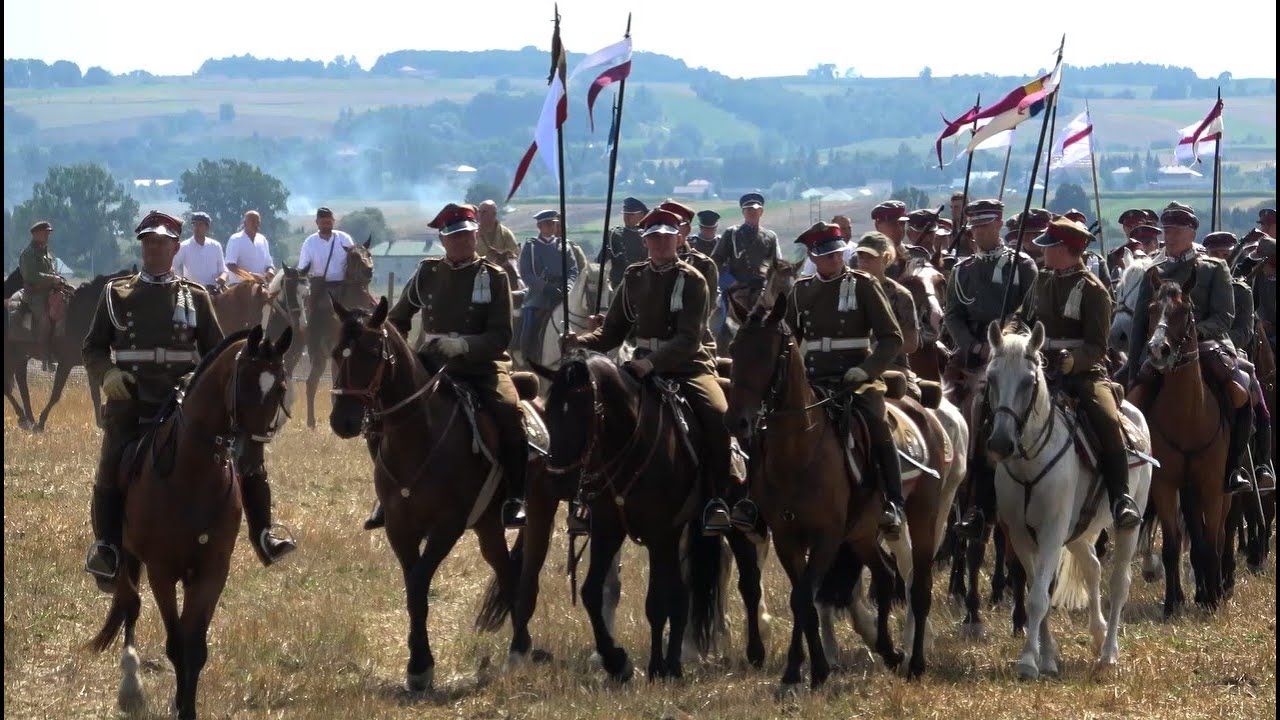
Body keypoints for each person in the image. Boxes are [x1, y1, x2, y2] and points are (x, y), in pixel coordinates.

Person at [83, 211, 294, 590]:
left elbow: (216, 353)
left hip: (182, 397)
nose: (153, 249)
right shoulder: (116, 294)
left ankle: (264, 534)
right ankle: (108, 548)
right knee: (110, 463)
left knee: (244, 453)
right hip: (131, 399)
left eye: (161, 243)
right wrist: (108, 374)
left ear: (174, 248)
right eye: (148, 242)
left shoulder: (193, 295)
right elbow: (93, 347)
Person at [564, 207, 734, 534]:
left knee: (718, 414)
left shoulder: (693, 279)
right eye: (653, 237)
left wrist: (650, 363)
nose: (659, 244)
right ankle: (589, 498)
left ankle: (717, 499)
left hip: (687, 368)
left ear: (678, 238)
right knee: (595, 415)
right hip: (639, 368)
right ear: (645, 241)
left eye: (665, 237)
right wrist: (578, 341)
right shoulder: (634, 276)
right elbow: (611, 331)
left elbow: (688, 338)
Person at [375, 202, 527, 529]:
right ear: (443, 240)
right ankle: (384, 496)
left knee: (511, 414)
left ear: (476, 236)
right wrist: (401, 356)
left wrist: (465, 345)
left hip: (482, 366)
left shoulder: (494, 276)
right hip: (431, 362)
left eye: (468, 236)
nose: (462, 242)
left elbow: (502, 335)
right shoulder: (428, 273)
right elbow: (398, 320)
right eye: (455, 237)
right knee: (380, 415)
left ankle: (515, 498)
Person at [784, 222, 907, 537]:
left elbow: (892, 339)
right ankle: (757, 501)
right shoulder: (801, 290)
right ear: (813, 255)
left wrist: (866, 369)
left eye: (838, 254)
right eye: (827, 256)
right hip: (813, 380)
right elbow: (788, 341)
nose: (835, 260)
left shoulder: (864, 285)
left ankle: (893, 502)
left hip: (856, 379)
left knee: (876, 424)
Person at [1124, 205, 1253, 495]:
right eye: (1167, 230)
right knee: (1127, 396)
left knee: (1243, 392)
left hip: (1207, 346)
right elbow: (1139, 326)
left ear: (1192, 232)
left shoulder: (1213, 268)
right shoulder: (1154, 272)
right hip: (1162, 351)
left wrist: (1193, 333)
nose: (1169, 236)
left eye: (1176, 231)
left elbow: (1224, 317)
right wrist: (1133, 368)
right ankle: (1130, 463)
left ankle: (1237, 466)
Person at [1029, 218, 1142, 528]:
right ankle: (981, 503)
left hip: (1083, 373)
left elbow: (1097, 346)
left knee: (1106, 418)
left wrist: (1072, 361)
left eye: (1049, 247)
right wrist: (1011, 338)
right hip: (1037, 366)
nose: (1043, 253)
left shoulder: (1094, 290)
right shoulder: (1041, 281)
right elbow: (1019, 319)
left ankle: (1121, 498)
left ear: (1066, 249)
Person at [945, 199, 1038, 538]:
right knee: (943, 407)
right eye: (974, 227)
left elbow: (1031, 312)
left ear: (999, 225)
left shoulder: (1022, 266)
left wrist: (1005, 343)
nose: (978, 233)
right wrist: (973, 344)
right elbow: (952, 315)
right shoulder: (963, 270)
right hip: (971, 356)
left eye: (985, 226)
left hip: (1012, 355)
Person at [854, 232, 921, 397]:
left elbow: (912, 344)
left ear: (886, 258)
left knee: (911, 397)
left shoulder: (901, 296)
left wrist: (879, 349)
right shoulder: (845, 291)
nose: (863, 262)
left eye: (870, 257)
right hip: (851, 365)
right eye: (860, 256)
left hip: (892, 366)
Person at [517, 209, 578, 365]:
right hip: (540, 293)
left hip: (563, 291)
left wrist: (568, 287)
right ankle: (528, 356)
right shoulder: (531, 246)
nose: (552, 227)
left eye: (554, 224)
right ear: (540, 226)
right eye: (549, 224)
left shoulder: (564, 245)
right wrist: (545, 288)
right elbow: (526, 273)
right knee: (530, 319)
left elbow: (573, 270)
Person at [710, 193, 781, 308]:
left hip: (761, 291)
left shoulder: (770, 237)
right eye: (748, 210)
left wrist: (768, 285)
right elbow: (716, 260)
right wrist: (730, 282)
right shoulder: (731, 234)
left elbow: (775, 264)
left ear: (761, 212)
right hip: (734, 290)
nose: (752, 213)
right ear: (743, 213)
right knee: (724, 323)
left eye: (756, 210)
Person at [18, 220, 66, 368]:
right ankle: (46, 357)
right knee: (45, 318)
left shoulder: (45, 251)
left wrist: (58, 278)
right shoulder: (28, 254)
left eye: (48, 233)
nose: (47, 235)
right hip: (35, 295)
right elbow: (31, 275)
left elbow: (50, 271)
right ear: (36, 234)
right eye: (45, 233)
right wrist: (52, 278)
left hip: (50, 291)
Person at [297, 207, 355, 320]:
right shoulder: (309, 243)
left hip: (344, 285)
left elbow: (354, 262)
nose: (326, 225)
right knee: (310, 315)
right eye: (323, 223)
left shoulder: (344, 239)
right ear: (317, 223)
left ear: (333, 221)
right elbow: (302, 269)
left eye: (329, 222)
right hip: (320, 287)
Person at [172, 212, 227, 292]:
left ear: (207, 227)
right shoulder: (184, 246)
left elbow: (223, 270)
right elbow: (173, 267)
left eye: (200, 225)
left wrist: (223, 277)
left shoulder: (216, 246)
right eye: (195, 225)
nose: (196, 228)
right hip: (192, 291)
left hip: (212, 290)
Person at [604, 197, 648, 289]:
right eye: (625, 214)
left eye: (631, 214)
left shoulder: (649, 235)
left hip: (645, 283)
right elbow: (602, 259)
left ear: (642, 215)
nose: (627, 217)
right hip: (619, 284)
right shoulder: (614, 234)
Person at [224, 210, 275, 284]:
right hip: (240, 286)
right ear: (245, 223)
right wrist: (250, 276)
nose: (256, 224)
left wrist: (270, 272)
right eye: (253, 221)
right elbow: (230, 265)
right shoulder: (235, 239)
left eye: (258, 222)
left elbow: (269, 264)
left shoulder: (262, 239)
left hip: (261, 286)